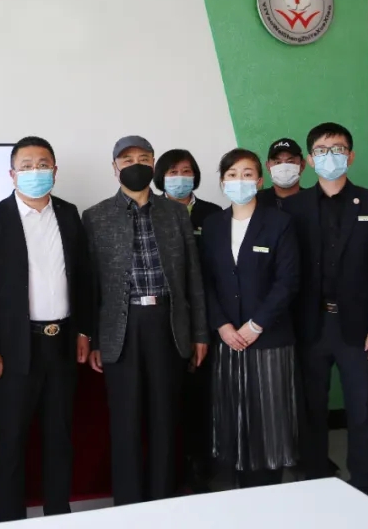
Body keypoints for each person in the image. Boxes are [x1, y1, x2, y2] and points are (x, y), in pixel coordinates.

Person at [0, 136, 93, 522]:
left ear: (55, 171)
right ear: (12, 174)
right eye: (26, 166)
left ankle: (59, 515)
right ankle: (9, 519)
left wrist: (84, 332)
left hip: (62, 343)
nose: (35, 172)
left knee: (60, 438)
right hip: (14, 349)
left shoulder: (69, 214)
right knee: (12, 442)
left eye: (42, 165)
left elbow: (84, 277)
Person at [82, 135, 208, 505]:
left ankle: (163, 499)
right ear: (115, 167)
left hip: (168, 324)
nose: (135, 164)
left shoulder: (174, 213)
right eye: (127, 159)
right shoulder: (95, 216)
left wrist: (200, 333)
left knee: (165, 418)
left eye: (143, 157)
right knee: (125, 421)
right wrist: (95, 339)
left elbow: (193, 278)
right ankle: (128, 504)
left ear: (153, 164)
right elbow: (91, 286)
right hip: (121, 329)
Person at [283, 122, 368, 498]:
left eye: (338, 149)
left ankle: (363, 487)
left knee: (361, 412)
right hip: (309, 326)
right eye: (322, 150)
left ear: (351, 155)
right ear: (310, 159)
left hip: (359, 328)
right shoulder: (293, 207)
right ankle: (316, 481)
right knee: (311, 410)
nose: (330, 156)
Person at [200, 148, 300, 489]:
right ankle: (238, 491)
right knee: (232, 418)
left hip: (269, 337)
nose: (239, 181)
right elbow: (205, 281)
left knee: (269, 422)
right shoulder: (213, 225)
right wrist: (222, 325)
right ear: (222, 182)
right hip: (227, 338)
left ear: (259, 181)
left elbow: (288, 281)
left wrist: (256, 324)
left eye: (247, 174)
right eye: (232, 175)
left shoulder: (280, 223)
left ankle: (269, 490)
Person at [152, 147, 221, 492]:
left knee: (201, 397)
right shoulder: (151, 212)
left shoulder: (213, 215)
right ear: (160, 177)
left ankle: (201, 463)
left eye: (186, 171)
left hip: (205, 318)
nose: (179, 178)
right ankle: (171, 465)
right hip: (162, 320)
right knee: (167, 397)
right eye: (172, 172)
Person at [257, 138, 306, 211]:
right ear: (268, 167)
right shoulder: (256, 201)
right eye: (277, 162)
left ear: (302, 165)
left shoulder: (313, 200)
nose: (284, 167)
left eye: (290, 161)